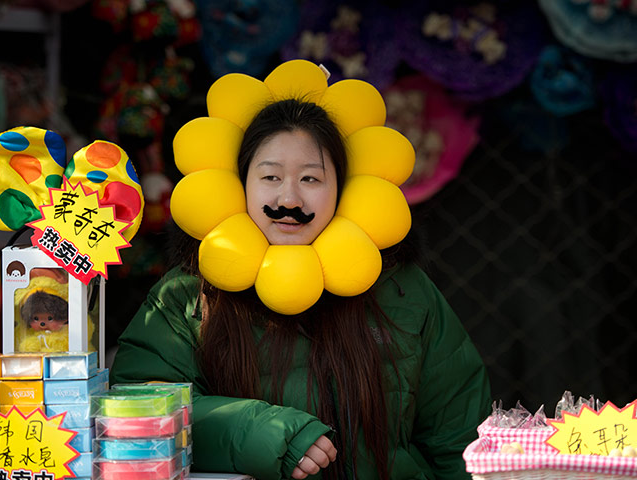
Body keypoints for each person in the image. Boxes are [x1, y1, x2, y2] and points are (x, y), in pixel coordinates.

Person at [111, 62, 491, 480]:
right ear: (241, 183)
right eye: (270, 176)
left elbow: (462, 442)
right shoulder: (186, 295)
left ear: (342, 189)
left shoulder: (403, 291)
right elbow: (142, 411)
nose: (288, 198)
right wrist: (262, 431)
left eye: (311, 179)